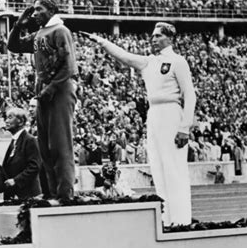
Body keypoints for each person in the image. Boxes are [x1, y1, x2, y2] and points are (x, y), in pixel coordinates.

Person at [81, 22, 196, 226]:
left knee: (173, 168)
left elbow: (189, 95)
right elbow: (124, 56)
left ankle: (182, 219)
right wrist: (101, 41)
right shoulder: (148, 62)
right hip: (154, 114)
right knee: (158, 168)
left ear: (169, 39)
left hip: (172, 112)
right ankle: (166, 218)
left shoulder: (178, 62)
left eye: (158, 36)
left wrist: (184, 127)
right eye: (152, 36)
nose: (153, 40)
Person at [7, 0, 77, 201]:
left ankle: (65, 193)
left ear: (52, 10)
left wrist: (52, 87)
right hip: (44, 90)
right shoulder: (39, 33)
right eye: (34, 10)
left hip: (60, 89)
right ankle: (51, 191)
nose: (35, 13)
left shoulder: (60, 31)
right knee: (45, 146)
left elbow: (69, 65)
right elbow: (14, 46)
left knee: (60, 144)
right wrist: (19, 24)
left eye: (39, 9)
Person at [0, 108, 41, 200]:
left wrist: (16, 181)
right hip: (15, 195)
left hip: (28, 195)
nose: (6, 121)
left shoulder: (30, 140)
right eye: (6, 118)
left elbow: (34, 166)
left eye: (10, 117)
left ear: (20, 121)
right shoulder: (14, 141)